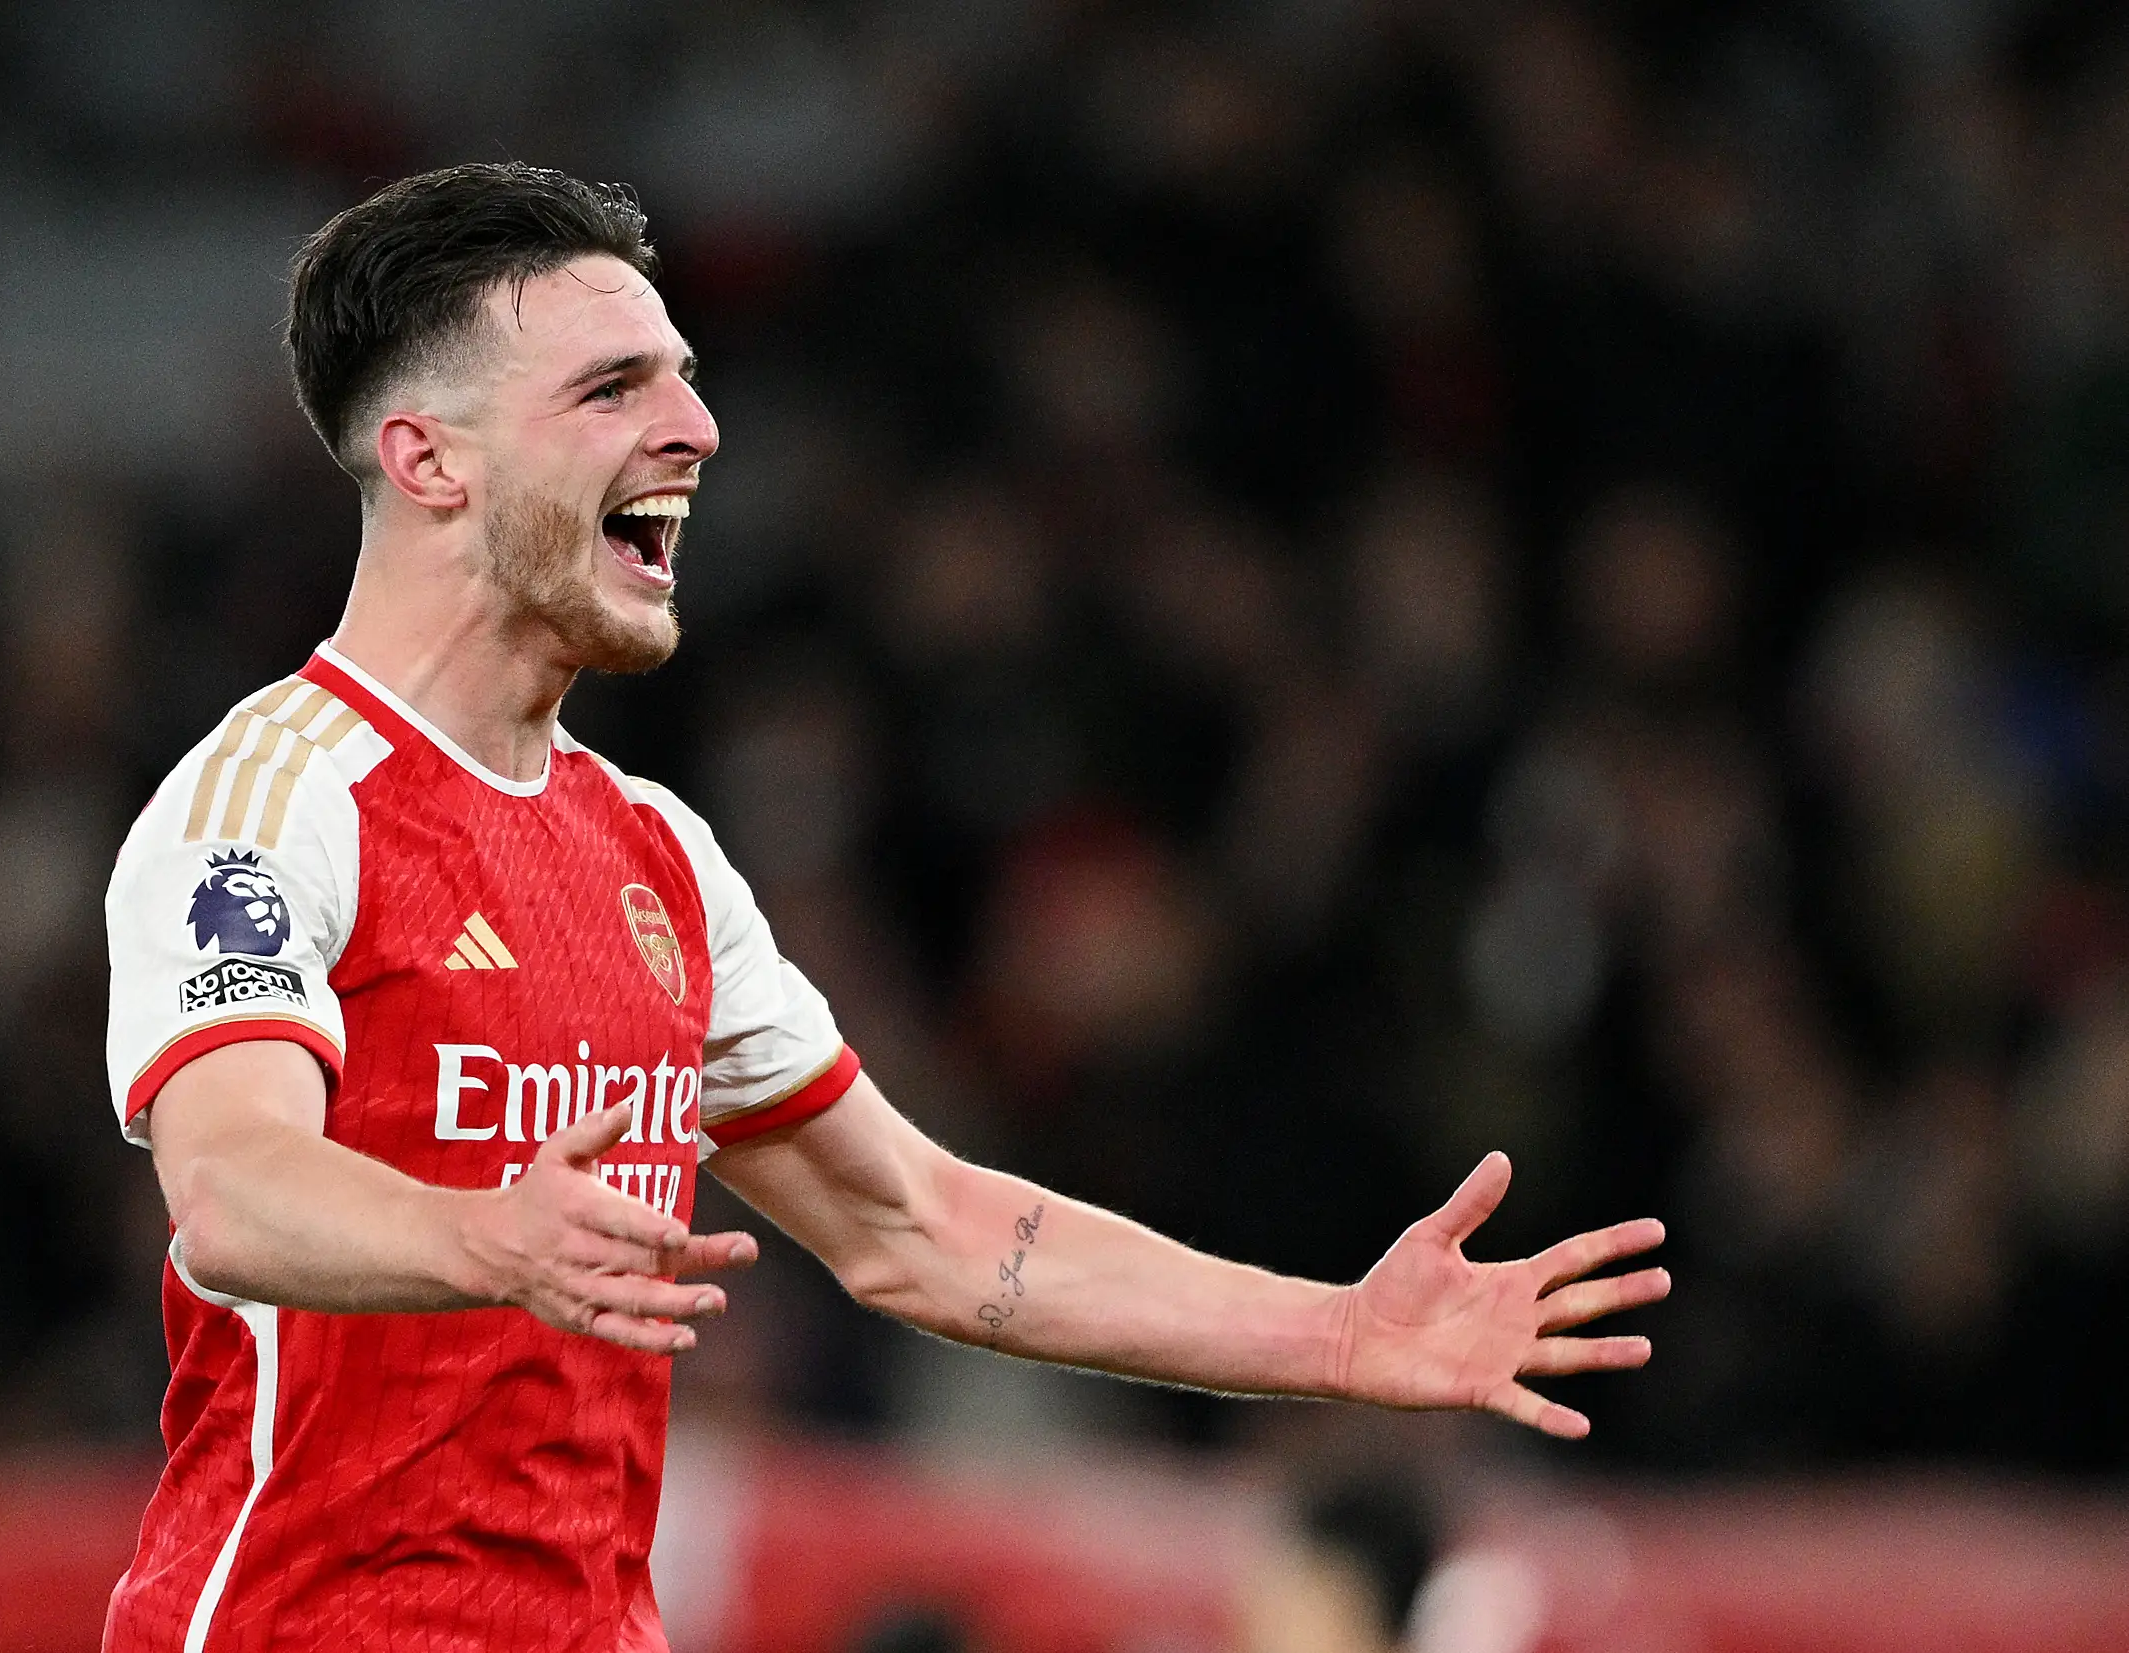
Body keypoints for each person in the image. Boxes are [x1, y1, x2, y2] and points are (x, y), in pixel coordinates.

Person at [100, 162, 1669, 1653]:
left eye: (684, 377)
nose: (698, 429)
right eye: (611, 389)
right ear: (429, 459)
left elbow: (918, 1228)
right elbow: (233, 1190)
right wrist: (477, 1235)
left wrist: (1336, 1339)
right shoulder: (276, 802)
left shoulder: (649, 854)